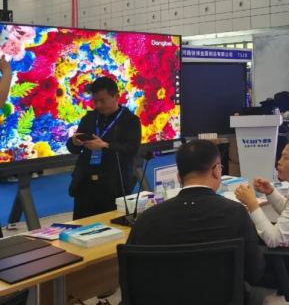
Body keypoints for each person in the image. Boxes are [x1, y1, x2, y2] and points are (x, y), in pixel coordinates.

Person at [127, 139, 264, 285]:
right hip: (222, 295)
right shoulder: (236, 213)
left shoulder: (147, 219)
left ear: (178, 177)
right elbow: (254, 273)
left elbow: (130, 276)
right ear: (216, 170)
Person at [235, 136, 289, 287]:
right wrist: (270, 192)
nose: (279, 162)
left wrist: (252, 204)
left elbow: (273, 239)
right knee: (248, 232)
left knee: (237, 260)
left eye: (285, 158)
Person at [66, 76, 141, 219]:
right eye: (95, 101)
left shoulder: (130, 121)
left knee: (113, 226)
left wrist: (105, 145)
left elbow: (131, 149)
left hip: (114, 185)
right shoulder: (89, 118)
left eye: (102, 100)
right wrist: (74, 142)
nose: (98, 105)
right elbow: (73, 148)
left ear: (116, 97)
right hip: (85, 184)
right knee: (81, 226)